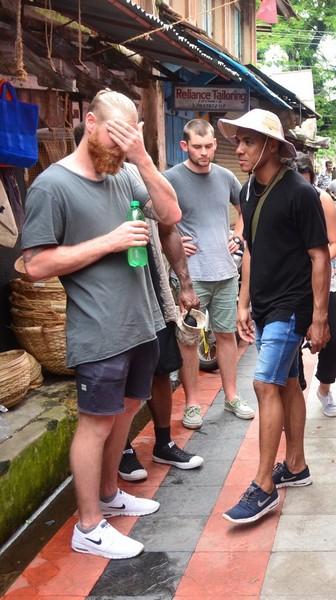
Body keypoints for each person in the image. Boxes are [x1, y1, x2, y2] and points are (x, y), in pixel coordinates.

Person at [21, 89, 182, 558]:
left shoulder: (126, 172)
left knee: (128, 410)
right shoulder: (52, 186)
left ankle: (109, 496)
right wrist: (108, 241)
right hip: (99, 328)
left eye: (128, 140)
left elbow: (171, 215)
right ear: (90, 123)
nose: (118, 149)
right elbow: (35, 265)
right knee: (94, 422)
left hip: (142, 320)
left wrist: (142, 159)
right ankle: (88, 527)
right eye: (115, 138)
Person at [71, 124, 204, 479]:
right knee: (119, 382)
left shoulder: (133, 175)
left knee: (161, 370)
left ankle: (163, 443)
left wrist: (185, 284)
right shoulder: (71, 186)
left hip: (152, 296)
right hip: (109, 306)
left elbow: (169, 222)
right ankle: (123, 450)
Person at [217, 109, 330, 524]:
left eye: (248, 141)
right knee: (288, 382)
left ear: (270, 146)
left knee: (264, 382)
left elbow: (320, 256)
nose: (240, 149)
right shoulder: (247, 191)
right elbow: (250, 249)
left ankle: (264, 485)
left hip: (291, 305)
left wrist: (319, 318)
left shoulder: (301, 193)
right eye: (238, 141)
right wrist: (243, 302)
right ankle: (295, 466)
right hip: (263, 303)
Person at [163, 119, 252, 431]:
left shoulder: (226, 176)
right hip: (192, 275)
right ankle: (191, 404)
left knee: (227, 337)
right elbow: (160, 221)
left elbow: (246, 210)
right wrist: (173, 242)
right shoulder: (170, 178)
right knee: (188, 340)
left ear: (216, 144)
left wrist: (238, 237)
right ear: (184, 146)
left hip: (226, 272)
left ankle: (231, 397)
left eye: (209, 146)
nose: (204, 152)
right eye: (197, 147)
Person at [294, 153, 336, 418]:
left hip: (325, 282)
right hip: (292, 286)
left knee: (333, 342)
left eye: (306, 184)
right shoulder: (282, 197)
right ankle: (296, 393)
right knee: (291, 344)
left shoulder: (322, 199)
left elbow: (334, 243)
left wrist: (316, 259)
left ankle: (324, 390)